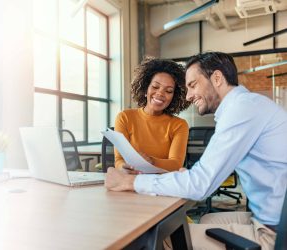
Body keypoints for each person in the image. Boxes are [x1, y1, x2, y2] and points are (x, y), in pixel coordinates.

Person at [105, 52, 287, 250]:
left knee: (165, 235)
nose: (189, 96)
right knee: (207, 219)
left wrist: (131, 181)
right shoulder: (247, 105)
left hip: (274, 233)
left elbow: (201, 185)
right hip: (271, 217)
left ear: (217, 78)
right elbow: (204, 175)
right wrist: (190, 175)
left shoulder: (242, 110)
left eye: (192, 85)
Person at [114, 57, 190, 173]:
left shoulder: (179, 125)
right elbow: (119, 160)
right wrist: (123, 167)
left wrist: (150, 161)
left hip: (163, 184)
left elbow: (176, 164)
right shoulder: (125, 117)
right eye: (155, 87)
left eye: (168, 91)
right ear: (145, 89)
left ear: (174, 97)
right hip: (132, 180)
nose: (160, 93)